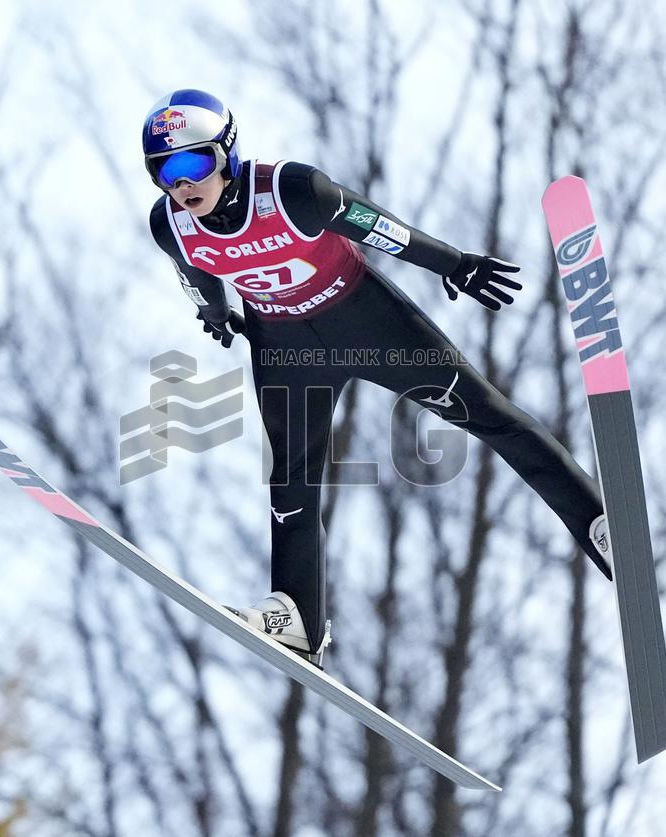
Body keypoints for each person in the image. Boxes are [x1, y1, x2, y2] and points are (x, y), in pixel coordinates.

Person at [144, 89, 610, 667]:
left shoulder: (292, 191)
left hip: (362, 319)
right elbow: (196, 274)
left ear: (228, 152)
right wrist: (215, 315)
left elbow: (378, 226)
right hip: (286, 348)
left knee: (486, 414)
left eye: (193, 163)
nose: (182, 183)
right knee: (290, 478)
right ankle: (297, 616)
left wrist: (456, 265)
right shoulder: (171, 224)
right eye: (164, 172)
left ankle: (595, 521)